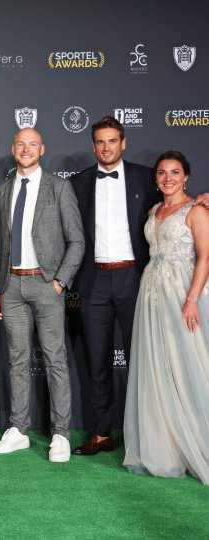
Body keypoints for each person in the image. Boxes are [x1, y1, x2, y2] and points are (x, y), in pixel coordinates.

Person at [70, 116, 209, 456]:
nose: (106, 147)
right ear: (93, 146)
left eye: (112, 141)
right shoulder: (78, 182)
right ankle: (102, 433)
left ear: (123, 142)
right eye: (100, 142)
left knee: (148, 359)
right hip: (94, 281)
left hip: (138, 281)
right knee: (97, 362)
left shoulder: (147, 177)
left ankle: (157, 436)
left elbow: (179, 200)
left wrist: (205, 198)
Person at [0, 128, 84, 463]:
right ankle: (19, 430)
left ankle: (61, 433)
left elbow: (77, 241)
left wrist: (59, 281)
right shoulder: (3, 190)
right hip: (11, 285)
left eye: (32, 144)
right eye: (20, 144)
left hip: (46, 285)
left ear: (42, 148)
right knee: (16, 359)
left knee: (55, 359)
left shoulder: (59, 187)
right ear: (13, 149)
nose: (25, 149)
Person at [123, 151, 209, 485]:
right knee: (158, 368)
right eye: (162, 173)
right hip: (151, 294)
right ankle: (169, 446)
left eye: (175, 172)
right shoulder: (154, 210)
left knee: (190, 363)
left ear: (186, 176)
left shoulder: (197, 211)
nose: (168, 178)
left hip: (184, 293)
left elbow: (204, 259)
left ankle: (198, 440)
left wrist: (190, 301)